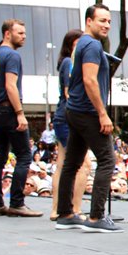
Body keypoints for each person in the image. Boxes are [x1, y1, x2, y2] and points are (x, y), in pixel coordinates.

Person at [54, 4, 122, 233]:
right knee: (107, 160)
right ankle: (96, 217)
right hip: (88, 112)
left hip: (73, 110)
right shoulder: (92, 45)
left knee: (71, 163)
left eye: (109, 21)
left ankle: (64, 213)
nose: (107, 25)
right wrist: (103, 114)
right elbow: (90, 80)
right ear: (89, 21)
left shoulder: (82, 42)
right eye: (102, 20)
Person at [0, 19, 41, 216]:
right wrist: (20, 113)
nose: (24, 36)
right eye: (19, 33)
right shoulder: (12, 55)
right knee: (25, 155)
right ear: (7, 34)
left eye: (24, 33)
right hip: (8, 110)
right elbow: (10, 85)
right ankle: (17, 203)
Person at [49, 29, 88, 220]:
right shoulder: (70, 62)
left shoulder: (68, 62)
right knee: (83, 165)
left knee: (63, 164)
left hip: (62, 116)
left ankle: (57, 208)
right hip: (68, 117)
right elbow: (68, 92)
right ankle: (75, 208)